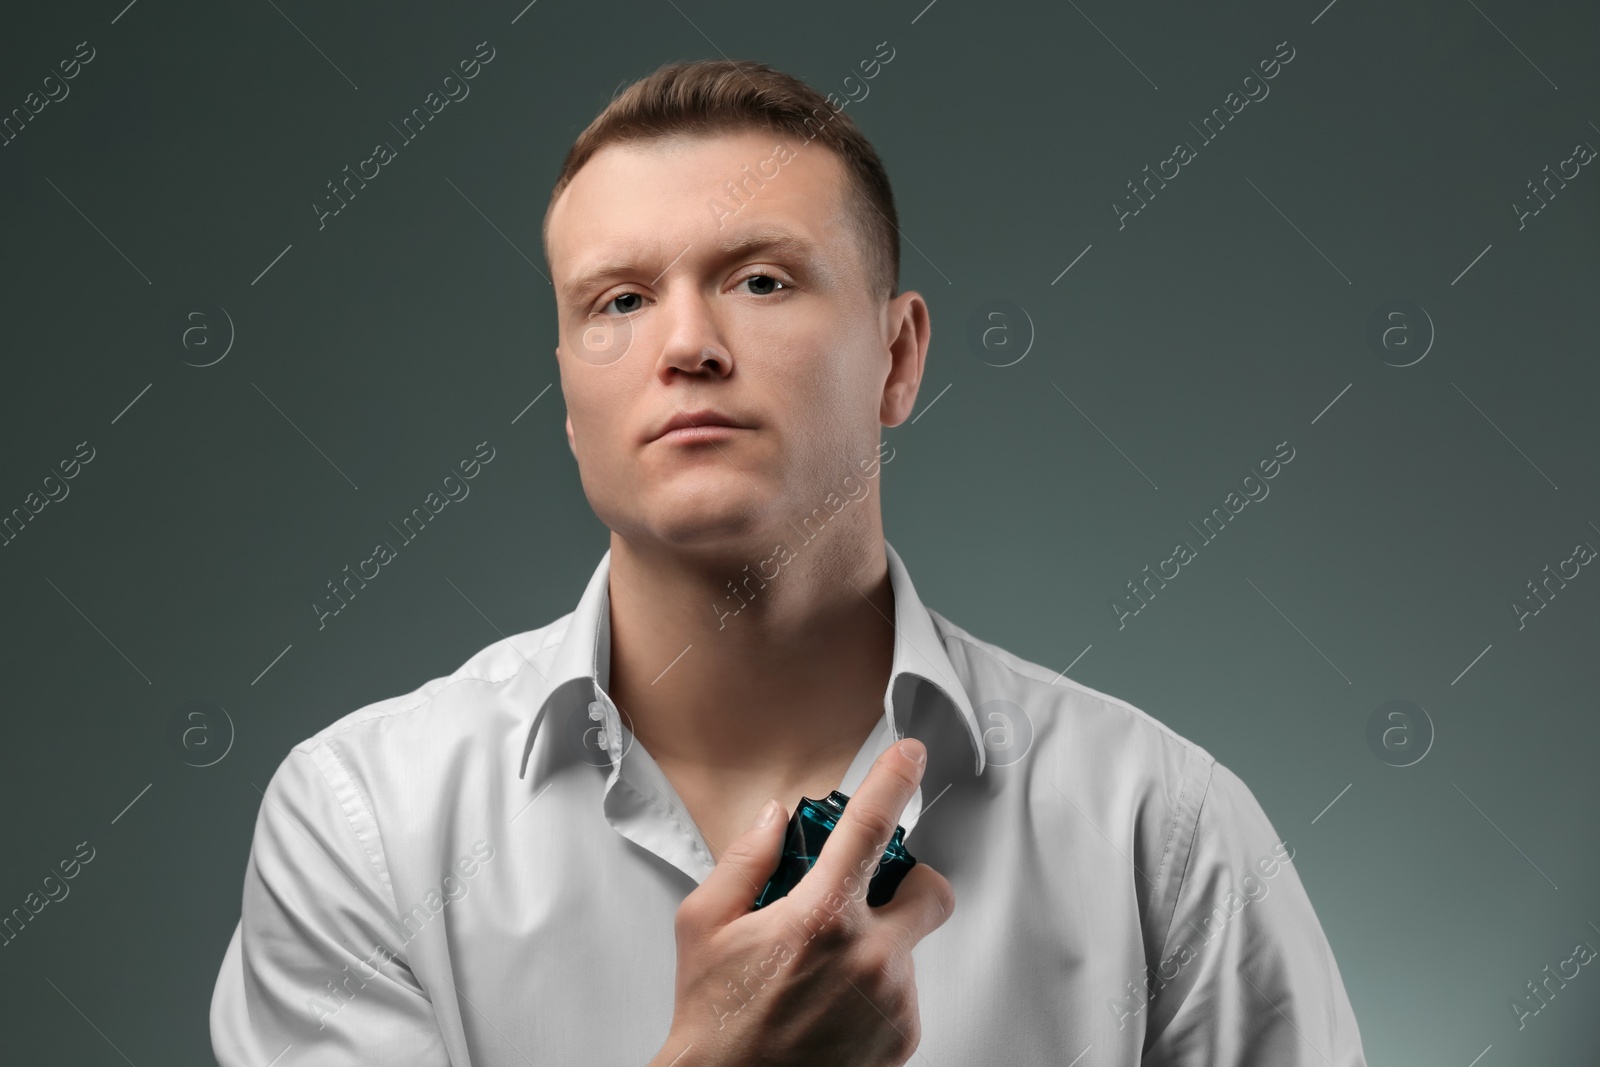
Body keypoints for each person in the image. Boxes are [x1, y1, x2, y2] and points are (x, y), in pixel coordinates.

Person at [210, 58, 1367, 1066]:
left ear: (898, 357)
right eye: (618, 299)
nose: (687, 346)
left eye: (760, 279)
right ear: (569, 398)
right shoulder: (363, 820)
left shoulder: (1159, 830)